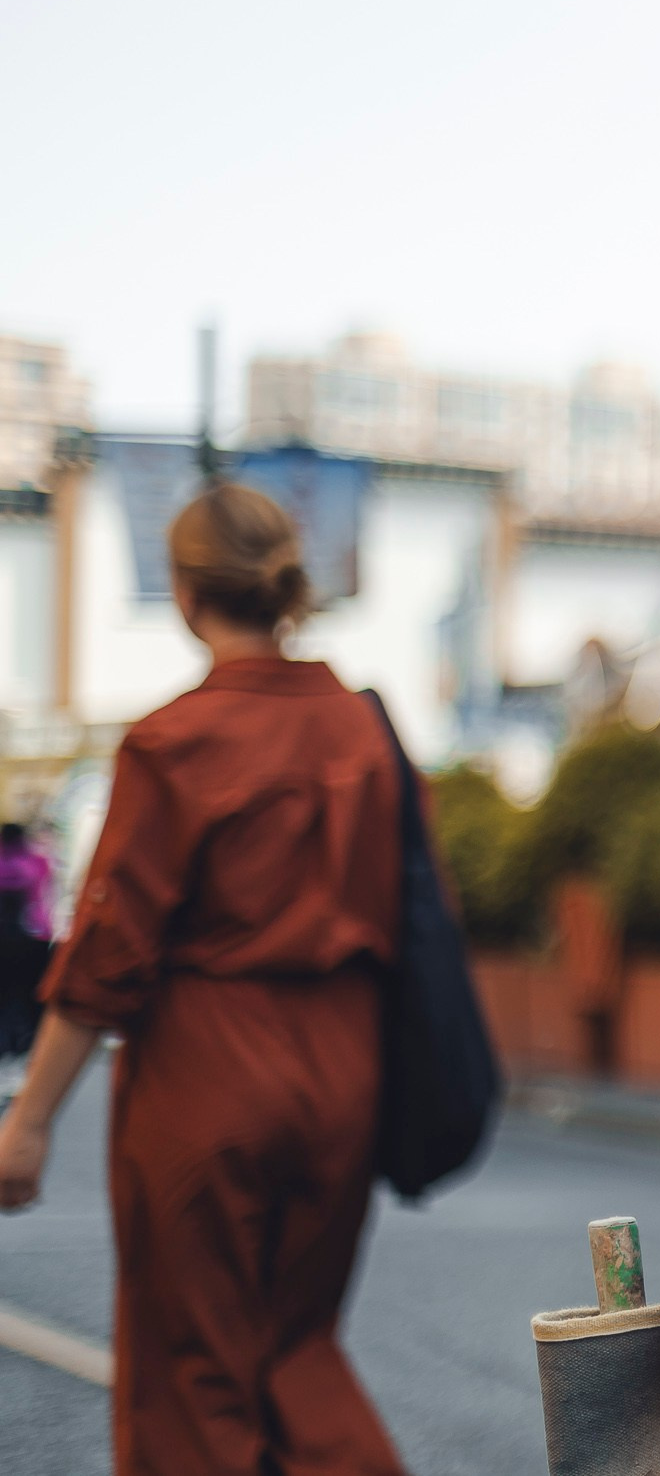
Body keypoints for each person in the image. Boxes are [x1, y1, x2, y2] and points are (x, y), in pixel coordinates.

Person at [0, 482, 408, 1476]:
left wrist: (33, 1116)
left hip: (209, 1067)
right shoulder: (365, 731)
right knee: (297, 1352)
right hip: (344, 1069)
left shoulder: (175, 739)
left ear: (186, 595)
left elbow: (109, 952)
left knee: (194, 1377)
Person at [0, 821, 54, 1097]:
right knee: (30, 1003)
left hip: (5, 945)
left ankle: (8, 1059)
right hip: (32, 941)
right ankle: (24, 1060)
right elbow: (45, 896)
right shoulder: (37, 862)